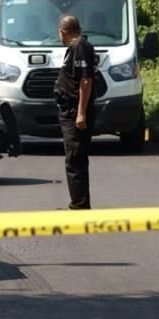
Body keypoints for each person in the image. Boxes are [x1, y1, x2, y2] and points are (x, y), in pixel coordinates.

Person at [53, 15, 96, 210]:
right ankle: (80, 201)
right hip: (69, 108)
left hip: (74, 110)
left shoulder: (80, 47)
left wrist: (81, 113)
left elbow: (86, 81)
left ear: (63, 31)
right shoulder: (76, 47)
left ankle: (79, 204)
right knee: (74, 156)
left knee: (75, 156)